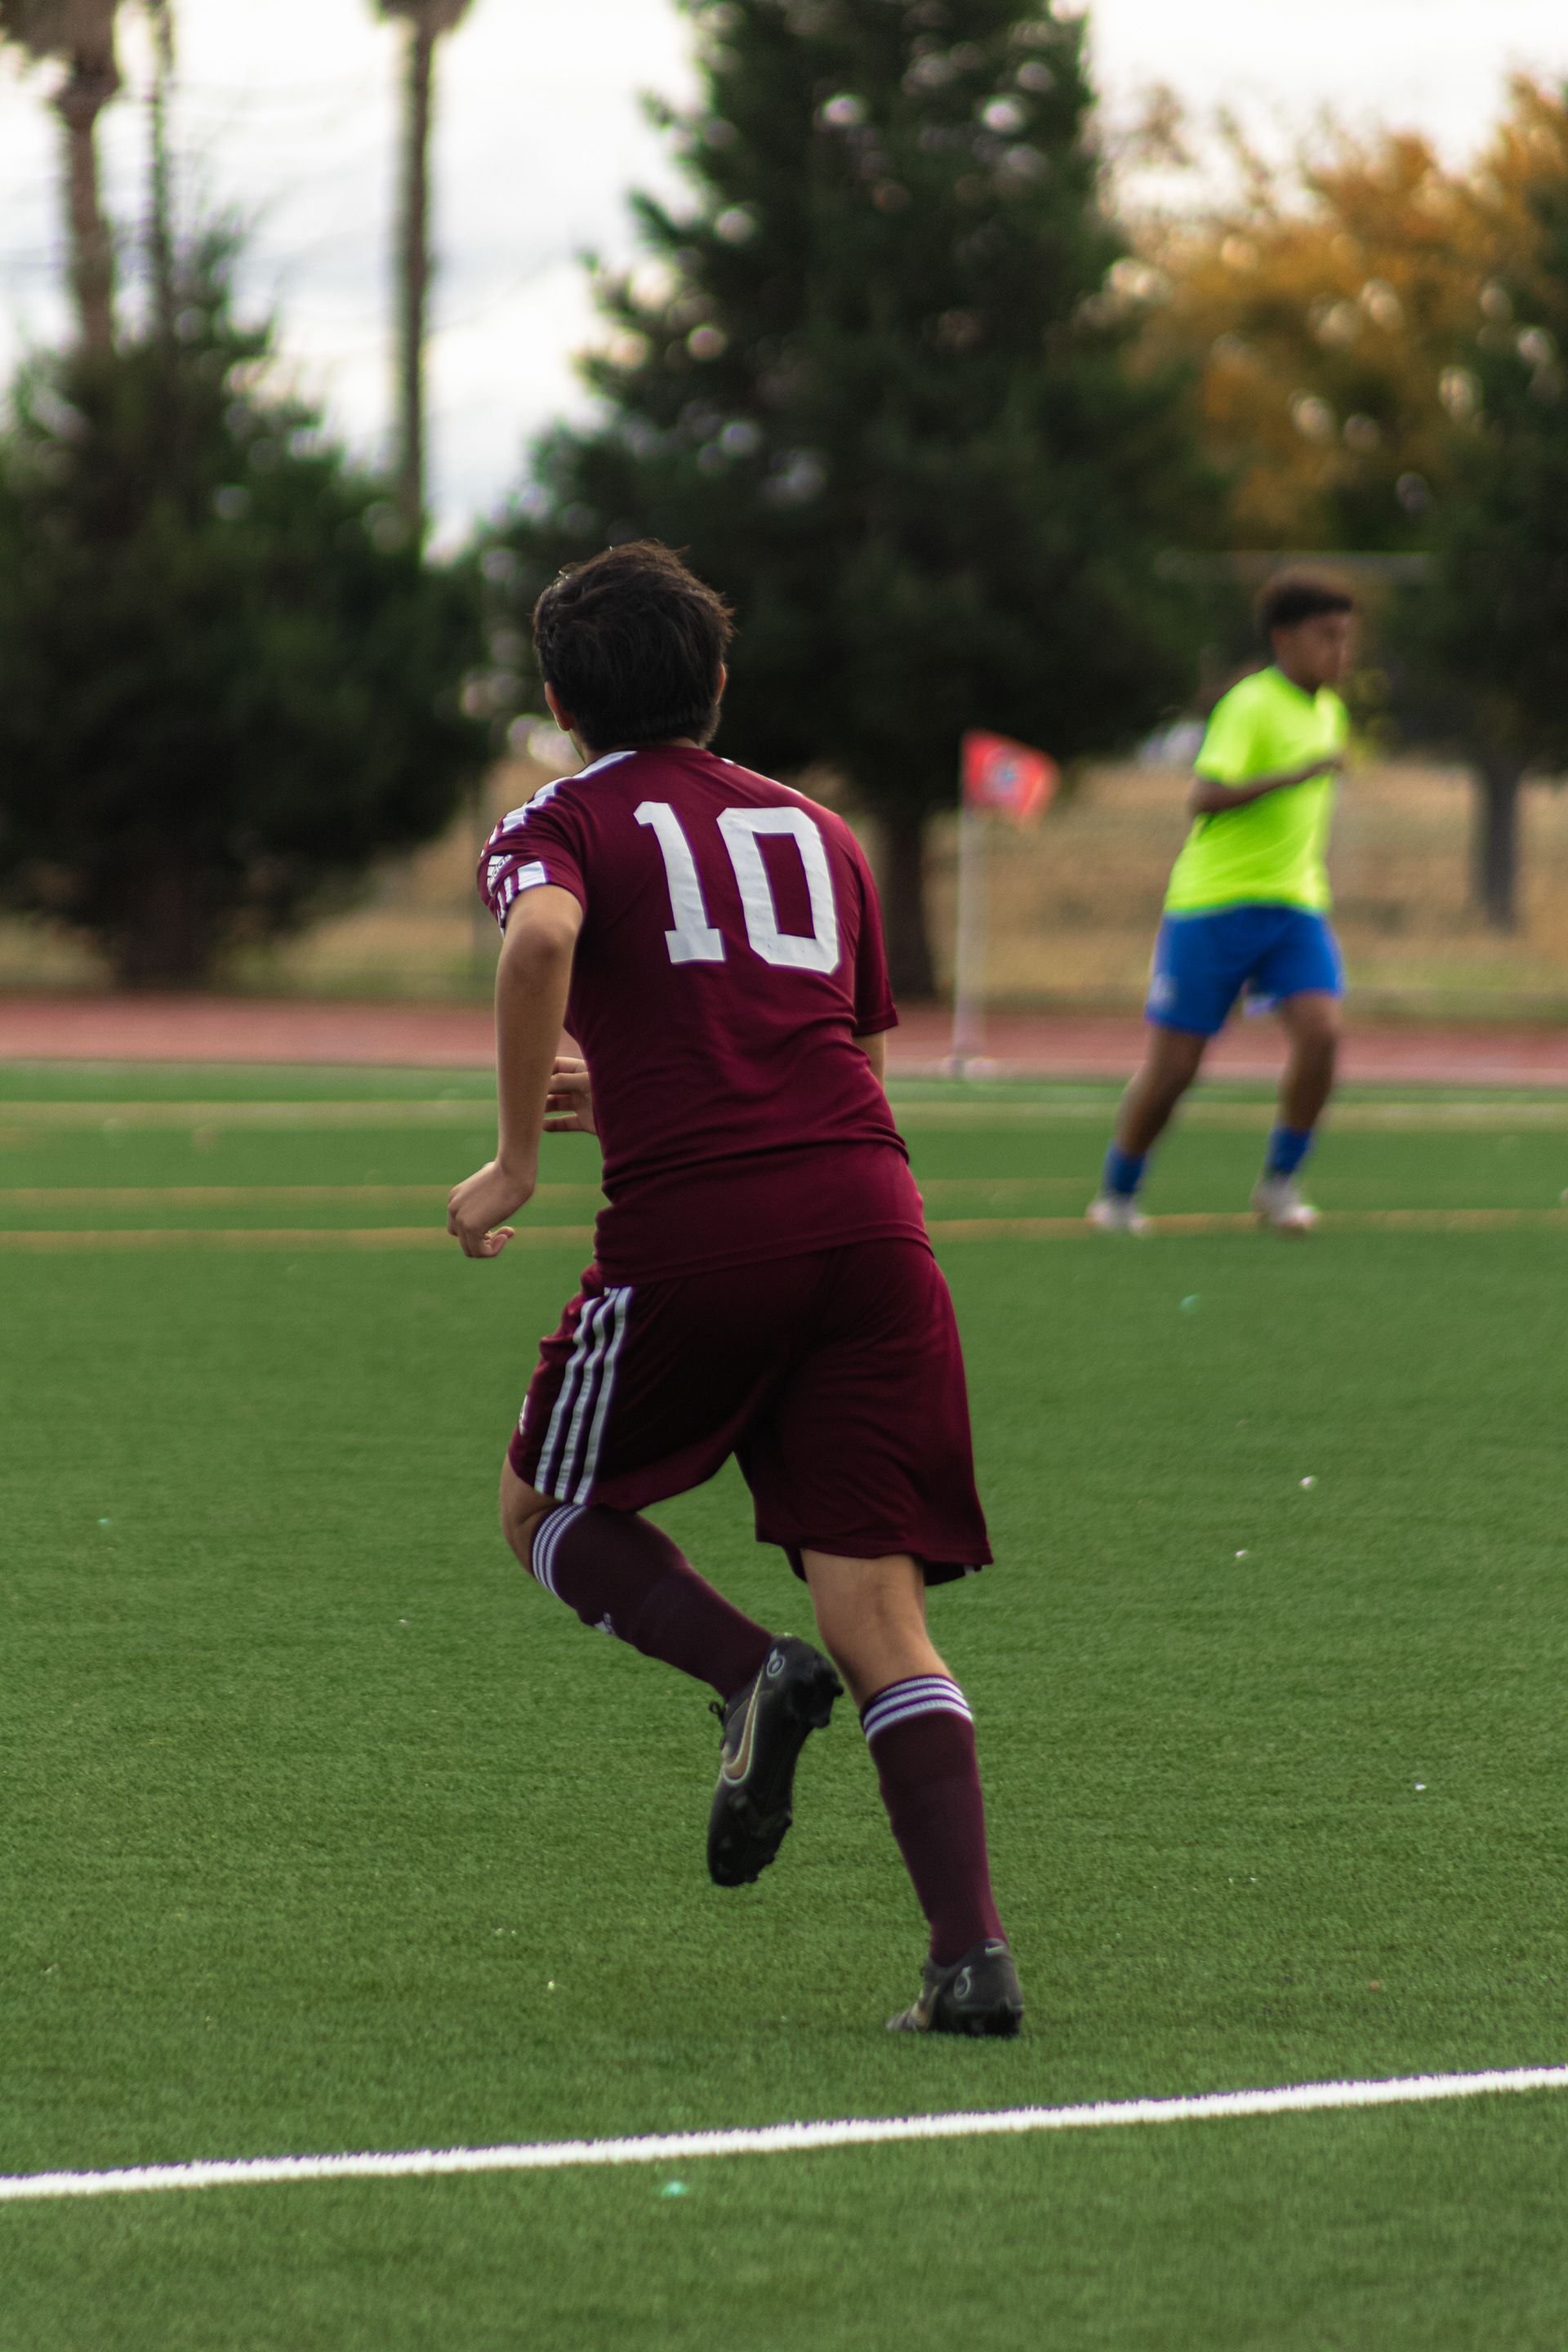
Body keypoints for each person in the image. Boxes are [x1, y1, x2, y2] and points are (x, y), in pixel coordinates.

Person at [448, 541, 1021, 2038]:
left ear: (559, 702)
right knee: (880, 1611)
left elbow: (545, 936)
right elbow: (845, 1064)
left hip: (707, 1235)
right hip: (875, 1229)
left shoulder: (558, 821)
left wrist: (517, 1157)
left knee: (542, 1505)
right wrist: (637, 1091)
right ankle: (970, 1960)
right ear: (718, 680)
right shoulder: (821, 832)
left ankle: (748, 1670)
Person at [1087, 568, 1356, 1236]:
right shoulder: (1250, 704)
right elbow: (1204, 797)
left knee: (1323, 1035)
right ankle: (1118, 1192)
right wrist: (1298, 773)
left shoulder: (1331, 711)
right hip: (1213, 904)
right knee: (1176, 1069)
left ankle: (1280, 1184)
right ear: (1285, 639)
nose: (1340, 651)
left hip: (1295, 905)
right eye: (1327, 636)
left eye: (1346, 637)